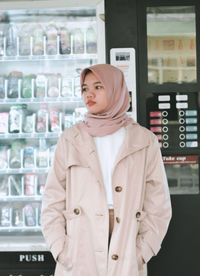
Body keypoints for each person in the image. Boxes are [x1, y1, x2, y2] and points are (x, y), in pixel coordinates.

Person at [41, 64, 172, 276]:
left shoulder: (144, 140)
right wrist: (61, 249)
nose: (89, 94)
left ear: (115, 89)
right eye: (84, 88)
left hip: (126, 237)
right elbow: (52, 199)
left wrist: (142, 251)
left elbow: (158, 204)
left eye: (98, 87)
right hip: (81, 241)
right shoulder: (70, 138)